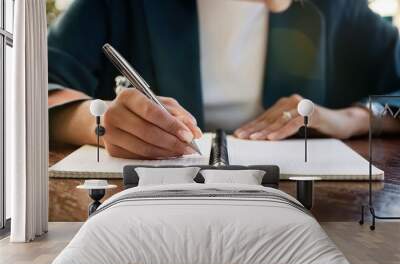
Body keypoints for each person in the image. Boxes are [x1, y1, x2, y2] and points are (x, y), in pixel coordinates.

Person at [48, 0, 400, 159]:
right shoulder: (116, 4)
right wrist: (98, 122)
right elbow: (35, 89)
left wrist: (352, 118)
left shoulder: (339, 8)